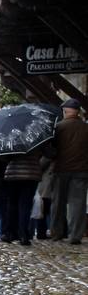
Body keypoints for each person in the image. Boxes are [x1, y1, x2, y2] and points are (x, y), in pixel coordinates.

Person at [50, 99, 88, 245]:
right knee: (77, 203)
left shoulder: (58, 128)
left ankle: (56, 233)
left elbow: (51, 150)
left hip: (61, 169)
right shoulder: (85, 128)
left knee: (58, 202)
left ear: (65, 112)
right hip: (81, 170)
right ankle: (75, 235)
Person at [0, 151, 46, 246]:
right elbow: (48, 153)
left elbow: (4, 158)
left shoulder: (10, 140)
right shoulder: (35, 139)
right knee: (25, 206)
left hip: (13, 174)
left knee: (12, 204)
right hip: (31, 173)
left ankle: (9, 233)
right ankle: (23, 235)